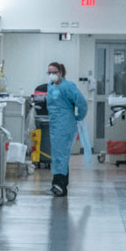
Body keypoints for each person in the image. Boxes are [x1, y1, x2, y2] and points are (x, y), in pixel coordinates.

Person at [46, 61, 87, 196]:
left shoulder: (68, 86)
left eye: (54, 72)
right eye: (49, 72)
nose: (51, 75)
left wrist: (79, 116)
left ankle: (60, 185)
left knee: (61, 155)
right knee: (57, 155)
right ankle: (58, 183)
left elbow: (81, 102)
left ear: (61, 73)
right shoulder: (50, 86)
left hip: (65, 124)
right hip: (55, 124)